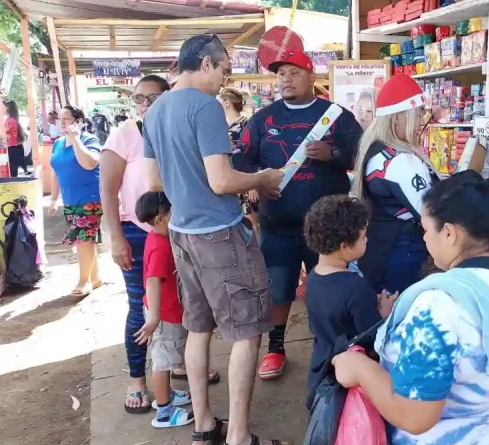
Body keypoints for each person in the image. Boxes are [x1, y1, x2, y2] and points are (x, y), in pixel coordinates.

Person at [332, 171, 489, 444]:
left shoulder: (439, 306)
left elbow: (415, 417)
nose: (423, 239)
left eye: (425, 229)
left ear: (449, 233)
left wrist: (360, 368)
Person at [143, 34, 285, 445]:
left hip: (182, 234)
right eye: (224, 68)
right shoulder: (204, 107)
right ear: (206, 63)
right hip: (219, 234)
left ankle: (204, 425)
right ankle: (239, 437)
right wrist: (262, 178)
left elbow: (154, 182)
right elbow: (222, 180)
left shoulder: (156, 111)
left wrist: (187, 183)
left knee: (198, 327)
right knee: (247, 331)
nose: (225, 79)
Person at [238, 50, 363, 380]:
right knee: (278, 289)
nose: (286, 79)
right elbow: (241, 160)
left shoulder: (336, 116)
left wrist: (332, 153)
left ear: (311, 77)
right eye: (281, 74)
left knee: (331, 290)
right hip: (277, 225)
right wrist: (253, 184)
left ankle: (337, 348)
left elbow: (360, 155)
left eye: (294, 72)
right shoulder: (263, 119)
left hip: (327, 229)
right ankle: (276, 348)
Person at [101, 74, 221, 415]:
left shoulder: (177, 128)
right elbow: (107, 191)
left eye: (151, 98)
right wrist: (116, 238)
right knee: (144, 307)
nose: (144, 105)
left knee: (183, 300)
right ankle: (138, 378)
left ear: (168, 98)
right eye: (139, 99)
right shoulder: (125, 134)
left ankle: (179, 364)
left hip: (183, 227)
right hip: (141, 234)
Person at [352, 74, 437, 295]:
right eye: (418, 113)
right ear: (399, 117)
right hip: (402, 254)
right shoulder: (400, 161)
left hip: (378, 251)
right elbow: (432, 212)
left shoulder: (376, 151)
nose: (421, 121)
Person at [302, 195, 395, 392]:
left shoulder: (313, 277)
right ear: (345, 247)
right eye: (362, 237)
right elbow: (372, 338)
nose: (366, 239)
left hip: (322, 367)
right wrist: (384, 314)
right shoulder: (356, 289)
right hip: (349, 378)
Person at [133, 191, 194, 428]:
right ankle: (165, 412)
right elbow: (152, 281)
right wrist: (155, 319)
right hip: (165, 315)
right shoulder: (160, 247)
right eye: (171, 212)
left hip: (166, 312)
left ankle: (165, 393)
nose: (175, 214)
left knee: (165, 359)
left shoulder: (158, 237)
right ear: (160, 218)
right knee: (162, 362)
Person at [48, 106, 104, 298]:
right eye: (60, 119)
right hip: (70, 198)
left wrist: (76, 138)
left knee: (82, 239)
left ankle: (84, 281)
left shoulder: (89, 139)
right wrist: (54, 198)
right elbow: (56, 172)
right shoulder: (58, 144)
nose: (62, 123)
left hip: (89, 197)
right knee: (86, 239)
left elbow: (90, 163)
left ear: (78, 121)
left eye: (67, 119)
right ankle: (94, 277)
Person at [219, 87, 260, 240]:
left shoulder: (247, 126)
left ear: (227, 102)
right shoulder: (223, 126)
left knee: (252, 222)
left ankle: (257, 257)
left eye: (220, 102)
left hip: (246, 182)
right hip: (230, 181)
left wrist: (253, 185)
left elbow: (252, 156)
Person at [4, 100, 28, 177]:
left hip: (11, 148)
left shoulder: (9, 120)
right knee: (13, 171)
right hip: (14, 147)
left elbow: (2, 131)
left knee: (12, 171)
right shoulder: (13, 119)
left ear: (8, 108)